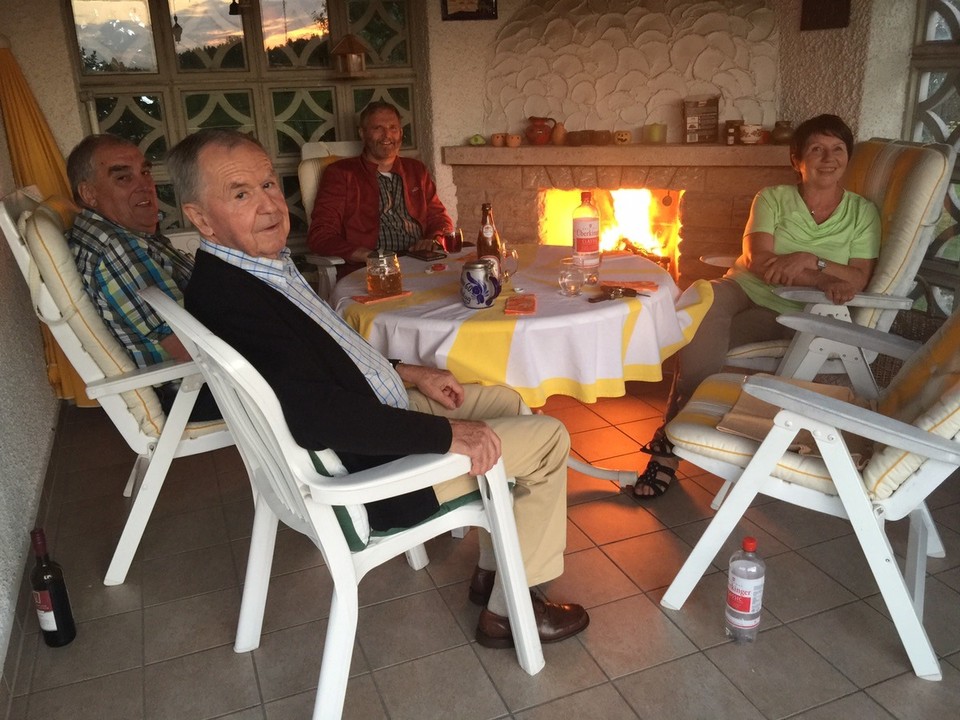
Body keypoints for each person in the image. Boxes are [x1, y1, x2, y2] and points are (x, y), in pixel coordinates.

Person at [166, 128, 589, 648]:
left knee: (504, 401)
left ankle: (493, 567)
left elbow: (325, 362)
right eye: (240, 194)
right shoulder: (235, 301)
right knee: (547, 439)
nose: (270, 205)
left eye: (269, 185)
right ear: (201, 218)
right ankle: (511, 610)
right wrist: (449, 437)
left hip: (366, 417)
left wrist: (407, 372)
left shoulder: (248, 271)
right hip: (370, 474)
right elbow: (317, 415)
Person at [634, 114, 881, 499]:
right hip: (744, 289)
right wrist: (820, 273)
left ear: (848, 158)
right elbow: (757, 260)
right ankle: (681, 428)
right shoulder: (772, 197)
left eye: (837, 149)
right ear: (796, 160)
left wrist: (806, 261)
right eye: (816, 149)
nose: (828, 158)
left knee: (699, 341)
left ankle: (669, 442)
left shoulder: (862, 213)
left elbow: (858, 279)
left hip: (792, 314)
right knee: (701, 304)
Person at [66, 134, 219, 420]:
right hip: (196, 389)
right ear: (89, 194)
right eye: (123, 178)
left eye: (145, 172)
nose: (146, 185)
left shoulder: (125, 234)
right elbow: (189, 347)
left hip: (200, 377)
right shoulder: (116, 248)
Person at [307, 101, 452, 275]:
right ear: (362, 133)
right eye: (378, 128)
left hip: (421, 262)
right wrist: (365, 255)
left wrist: (433, 238)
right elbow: (321, 235)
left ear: (401, 132)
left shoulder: (416, 169)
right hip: (370, 270)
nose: (387, 136)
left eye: (393, 128)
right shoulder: (341, 174)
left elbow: (440, 218)